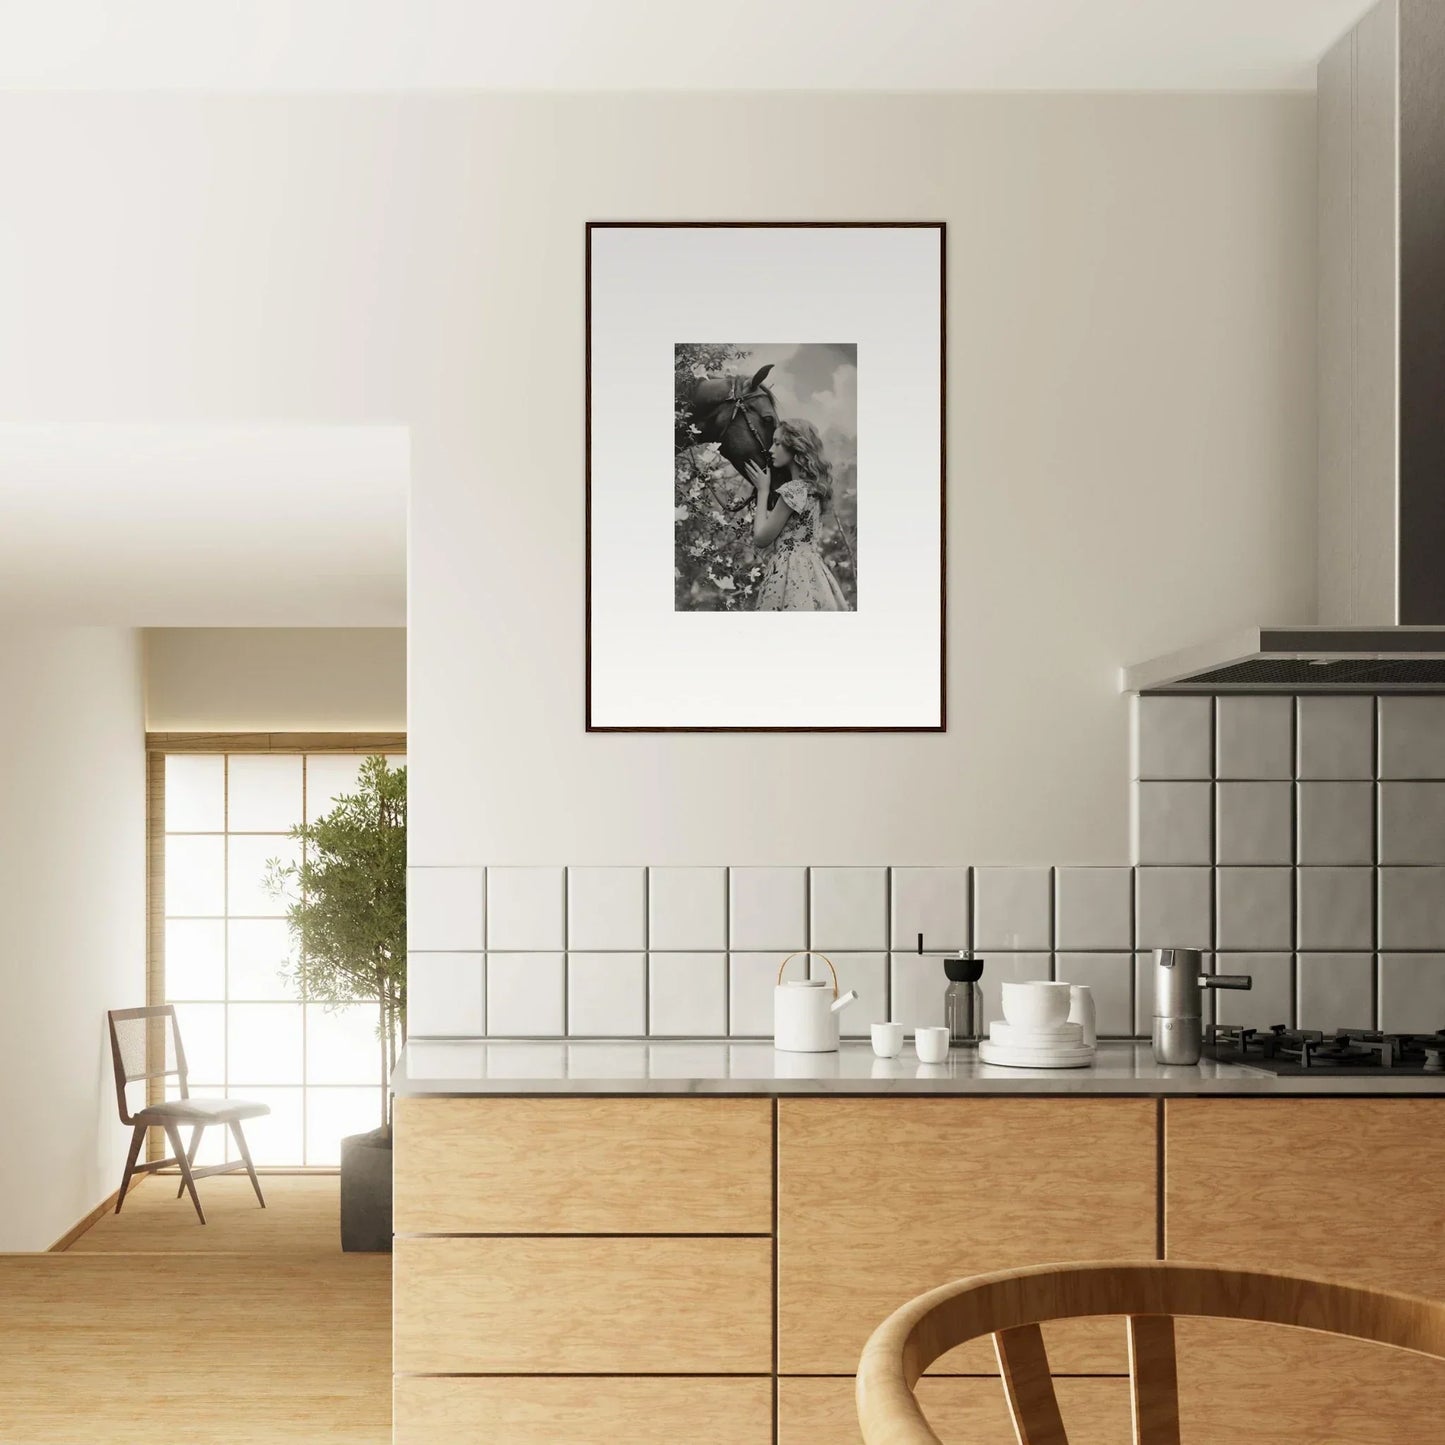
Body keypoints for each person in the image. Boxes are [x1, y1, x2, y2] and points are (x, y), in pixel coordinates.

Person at [742, 419, 850, 612]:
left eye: (777, 443)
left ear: (795, 448)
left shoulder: (793, 491)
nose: (771, 449)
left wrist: (762, 490)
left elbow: (760, 539)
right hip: (812, 572)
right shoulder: (812, 488)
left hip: (788, 573)